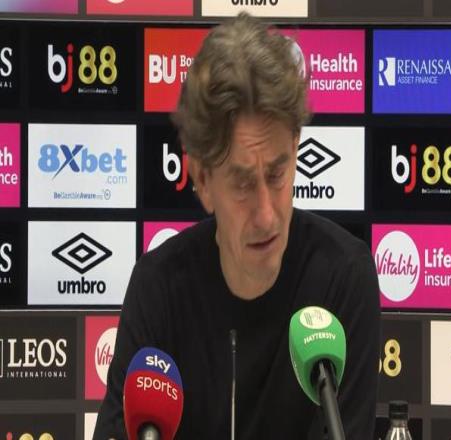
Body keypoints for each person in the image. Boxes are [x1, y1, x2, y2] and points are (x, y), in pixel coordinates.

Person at [94, 13, 380, 440]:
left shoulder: (344, 278)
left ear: (296, 149)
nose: (266, 215)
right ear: (202, 179)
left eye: (277, 174)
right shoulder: (159, 288)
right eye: (243, 183)